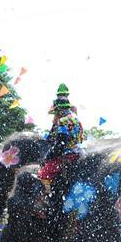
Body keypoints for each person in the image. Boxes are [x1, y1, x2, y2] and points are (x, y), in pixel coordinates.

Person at [36, 83, 83, 219]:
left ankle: (49, 202)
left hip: (67, 155)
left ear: (59, 110)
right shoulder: (76, 119)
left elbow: (60, 145)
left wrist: (47, 157)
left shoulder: (63, 121)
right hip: (78, 152)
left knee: (43, 173)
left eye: (56, 111)